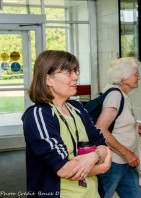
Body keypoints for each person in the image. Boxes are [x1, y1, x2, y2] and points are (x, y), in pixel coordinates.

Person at [22, 50, 112, 198]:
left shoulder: (76, 108)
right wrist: (102, 167)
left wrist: (93, 156)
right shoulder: (38, 115)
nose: (76, 77)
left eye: (75, 71)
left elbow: (102, 144)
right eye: (68, 72)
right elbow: (64, 169)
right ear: (48, 79)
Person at [96, 57, 141, 198]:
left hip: (126, 163)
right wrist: (127, 154)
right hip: (114, 163)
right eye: (135, 74)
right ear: (124, 78)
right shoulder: (115, 95)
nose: (139, 77)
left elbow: (117, 124)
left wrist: (135, 130)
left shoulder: (123, 95)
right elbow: (100, 129)